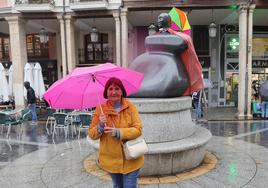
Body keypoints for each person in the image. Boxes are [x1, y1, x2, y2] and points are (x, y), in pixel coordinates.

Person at [88, 77, 144, 188]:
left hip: (131, 157)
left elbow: (138, 129)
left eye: (117, 88)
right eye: (110, 89)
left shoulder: (130, 107)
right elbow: (92, 134)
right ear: (106, 92)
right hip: (111, 160)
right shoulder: (100, 109)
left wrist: (119, 132)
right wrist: (100, 125)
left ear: (122, 91)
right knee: (117, 186)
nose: (114, 92)